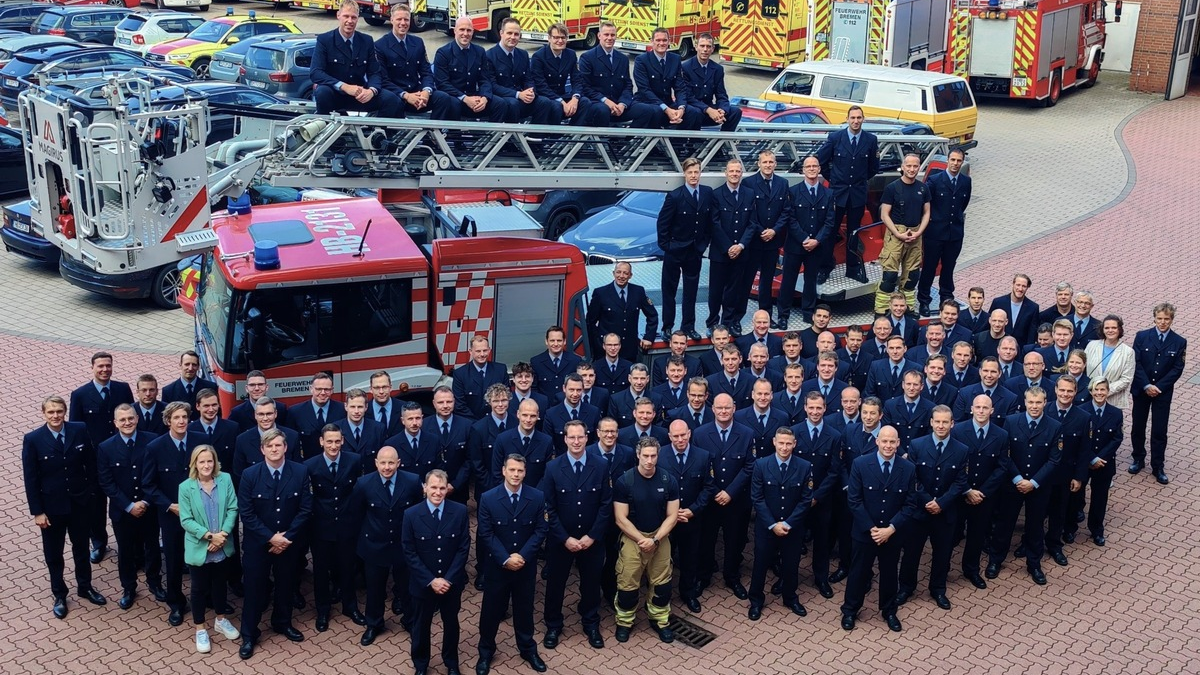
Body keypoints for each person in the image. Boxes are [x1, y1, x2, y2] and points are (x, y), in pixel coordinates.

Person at [23, 395, 106, 619]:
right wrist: (37, 511)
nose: (55, 416)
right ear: (43, 414)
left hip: (80, 503)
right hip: (51, 508)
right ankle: (59, 594)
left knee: (81, 548)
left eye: (59, 411)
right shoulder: (33, 439)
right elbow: (31, 479)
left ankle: (85, 587)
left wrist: (91, 493)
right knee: (54, 553)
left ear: (65, 411)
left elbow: (90, 463)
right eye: (51, 412)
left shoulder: (79, 429)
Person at [236, 430, 312, 660]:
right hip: (259, 545)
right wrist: (271, 537)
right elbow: (246, 513)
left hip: (288, 543)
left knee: (286, 585)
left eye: (278, 445)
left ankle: (282, 623)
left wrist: (286, 537)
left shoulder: (300, 472)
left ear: (285, 447)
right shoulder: (250, 475)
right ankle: (249, 634)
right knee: (254, 589)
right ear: (262, 449)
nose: (274, 449)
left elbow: (305, 509)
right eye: (270, 446)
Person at [539, 420, 612, 650]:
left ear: (588, 437)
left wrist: (593, 536)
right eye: (572, 437)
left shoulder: (600, 465)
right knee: (556, 584)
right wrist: (564, 538)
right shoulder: (553, 467)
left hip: (591, 539)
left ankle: (591, 623)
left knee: (591, 585)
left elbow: (605, 504)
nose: (576, 441)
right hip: (562, 540)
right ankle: (553, 625)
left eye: (580, 437)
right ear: (565, 439)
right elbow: (547, 507)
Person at [475, 454, 549, 675]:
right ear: (504, 471)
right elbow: (485, 533)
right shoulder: (488, 498)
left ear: (525, 473)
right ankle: (486, 651)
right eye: (512, 470)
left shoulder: (537, 497)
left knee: (524, 610)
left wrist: (522, 556)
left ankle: (527, 649)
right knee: (491, 611)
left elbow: (540, 530)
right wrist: (505, 558)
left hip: (524, 567)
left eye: (520, 471)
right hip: (497, 567)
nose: (516, 475)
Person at [840, 426, 917, 632]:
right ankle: (850, 610)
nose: (888, 446)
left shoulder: (908, 468)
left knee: (890, 573)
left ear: (898, 443)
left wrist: (890, 529)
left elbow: (909, 504)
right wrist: (872, 529)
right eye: (884, 441)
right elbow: (854, 500)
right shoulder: (860, 464)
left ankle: (889, 610)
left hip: (892, 534)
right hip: (865, 533)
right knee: (858, 572)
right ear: (877, 441)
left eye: (892, 442)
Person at [144, 402, 212, 626]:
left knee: (204, 557)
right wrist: (170, 505)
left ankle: (207, 597)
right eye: (176, 418)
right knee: (173, 561)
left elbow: (212, 472)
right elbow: (149, 485)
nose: (182, 421)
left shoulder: (200, 442)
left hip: (201, 514)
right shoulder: (155, 447)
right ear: (168, 421)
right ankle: (176, 603)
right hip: (172, 516)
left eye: (185, 417)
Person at [986, 387, 1062, 586]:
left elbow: (1054, 461)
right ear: (1025, 402)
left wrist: (1034, 482)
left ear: (1045, 402)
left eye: (1038, 402)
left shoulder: (1054, 426)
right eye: (1031, 402)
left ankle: (1034, 564)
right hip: (1013, 484)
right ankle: (995, 560)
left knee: (1035, 526)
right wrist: (1018, 478)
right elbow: (1005, 454)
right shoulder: (1011, 422)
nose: (1034, 406)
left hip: (1038, 486)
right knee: (1004, 524)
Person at [896, 406, 967, 610]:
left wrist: (941, 503)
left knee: (942, 553)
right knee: (911, 552)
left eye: (945, 422)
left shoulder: (961, 450)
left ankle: (938, 589)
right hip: (919, 511)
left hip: (945, 512)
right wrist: (928, 501)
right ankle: (906, 588)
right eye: (937, 421)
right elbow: (913, 478)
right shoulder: (917, 445)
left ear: (952, 423)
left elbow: (960, 482)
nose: (941, 425)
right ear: (931, 422)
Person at [350, 445, 422, 646]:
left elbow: (417, 512)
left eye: (391, 462)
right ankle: (374, 624)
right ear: (376, 463)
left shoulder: (412, 481)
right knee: (375, 589)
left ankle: (410, 621)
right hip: (374, 546)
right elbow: (356, 514)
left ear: (398, 463)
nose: (387, 467)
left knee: (406, 588)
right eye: (383, 462)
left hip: (403, 546)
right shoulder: (363, 484)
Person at [403, 469, 470, 675]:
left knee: (451, 624)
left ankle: (451, 662)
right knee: (421, 626)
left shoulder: (459, 511)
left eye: (442, 488)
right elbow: (409, 551)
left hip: (451, 583)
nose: (438, 492)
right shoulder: (411, 514)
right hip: (423, 584)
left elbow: (463, 547)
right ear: (424, 488)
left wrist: (447, 579)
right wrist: (431, 580)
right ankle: (421, 665)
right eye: (433, 487)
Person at [612, 438, 680, 643]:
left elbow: (673, 515)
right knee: (627, 585)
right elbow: (620, 518)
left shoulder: (669, 480)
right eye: (645, 456)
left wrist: (656, 540)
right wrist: (642, 540)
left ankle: (660, 620)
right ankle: (624, 622)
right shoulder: (625, 481)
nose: (649, 461)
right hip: (634, 538)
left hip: (660, 537)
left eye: (653, 456)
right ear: (638, 455)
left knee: (662, 586)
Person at [70, 351, 134, 564]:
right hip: (95, 459)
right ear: (92, 368)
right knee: (96, 504)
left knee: (123, 496)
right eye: (100, 366)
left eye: (108, 365)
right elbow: (76, 429)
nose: (105, 370)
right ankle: (99, 542)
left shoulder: (122, 389)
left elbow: (132, 418)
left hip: (121, 456)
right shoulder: (79, 395)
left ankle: (129, 539)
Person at [97, 404, 163, 610]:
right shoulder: (105, 447)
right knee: (125, 550)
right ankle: (129, 587)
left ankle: (155, 582)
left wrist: (144, 501)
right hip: (122, 511)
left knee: (152, 546)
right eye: (122, 420)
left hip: (148, 507)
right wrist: (128, 505)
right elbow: (107, 482)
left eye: (130, 418)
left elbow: (157, 475)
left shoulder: (152, 441)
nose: (127, 423)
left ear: (137, 419)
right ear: (115, 423)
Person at [177, 445, 241, 653]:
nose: (206, 465)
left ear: (215, 462)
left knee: (220, 585)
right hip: (200, 546)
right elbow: (186, 519)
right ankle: (200, 628)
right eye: (202, 461)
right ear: (195, 464)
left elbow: (232, 508)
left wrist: (222, 535)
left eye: (210, 461)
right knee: (198, 589)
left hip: (222, 544)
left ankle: (221, 620)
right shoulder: (186, 487)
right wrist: (209, 536)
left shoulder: (225, 479)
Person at [747, 427, 813, 621]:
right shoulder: (761, 465)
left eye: (788, 443)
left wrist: (789, 523)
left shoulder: (804, 466)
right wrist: (772, 524)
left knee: (791, 565)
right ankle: (756, 601)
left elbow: (805, 499)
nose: (784, 447)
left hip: (793, 528)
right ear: (774, 442)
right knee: (760, 565)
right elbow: (757, 498)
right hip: (767, 527)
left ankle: (790, 597)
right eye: (781, 443)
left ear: (794, 444)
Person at [304, 424, 365, 632]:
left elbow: (357, 491)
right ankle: (323, 610)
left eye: (337, 441)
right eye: (329, 441)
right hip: (321, 527)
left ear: (342, 441)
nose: (333, 445)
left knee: (347, 568)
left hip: (347, 525)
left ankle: (351, 607)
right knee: (321, 571)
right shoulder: (310, 465)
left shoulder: (354, 460)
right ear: (321, 442)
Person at [693, 394, 754, 599]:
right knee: (705, 540)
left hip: (736, 500)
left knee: (734, 540)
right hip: (710, 501)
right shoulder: (700, 434)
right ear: (713, 409)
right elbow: (700, 467)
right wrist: (715, 490)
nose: (723, 411)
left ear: (734, 408)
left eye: (727, 408)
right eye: (719, 408)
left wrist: (730, 492)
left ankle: (732, 577)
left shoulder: (746, 433)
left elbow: (749, 466)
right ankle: (703, 576)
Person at [815, 105, 879, 284]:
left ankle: (853, 268)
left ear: (863, 119)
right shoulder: (836, 138)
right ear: (847, 119)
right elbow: (822, 160)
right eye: (853, 118)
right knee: (830, 231)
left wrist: (858, 181)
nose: (856, 121)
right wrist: (834, 180)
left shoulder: (870, 140)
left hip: (857, 194)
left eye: (859, 118)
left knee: (854, 232)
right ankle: (825, 267)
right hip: (837, 193)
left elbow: (873, 168)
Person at [953, 394, 1010, 590]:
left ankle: (971, 570)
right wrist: (967, 490)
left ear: (992, 411)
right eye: (978, 407)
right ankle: (942, 573)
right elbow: (953, 465)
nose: (981, 411)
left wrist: (981, 492)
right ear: (971, 409)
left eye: (985, 408)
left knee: (977, 535)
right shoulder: (958, 431)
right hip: (960, 493)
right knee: (951, 534)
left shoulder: (1001, 435)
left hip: (984, 496)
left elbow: (1002, 467)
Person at [657, 420, 713, 612]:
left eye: (683, 435)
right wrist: (669, 512)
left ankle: (688, 593)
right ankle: (662, 596)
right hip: (665, 520)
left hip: (691, 518)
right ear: (669, 436)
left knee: (690, 558)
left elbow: (708, 487)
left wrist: (694, 509)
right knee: (663, 559)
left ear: (689, 434)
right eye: (675, 436)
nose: (680, 439)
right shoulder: (660, 455)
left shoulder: (703, 456)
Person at [311, 0, 400, 116]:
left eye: (353, 17)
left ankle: (377, 132)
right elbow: (315, 73)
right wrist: (344, 86)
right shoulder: (325, 40)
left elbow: (375, 72)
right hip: (334, 95)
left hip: (360, 96)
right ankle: (325, 128)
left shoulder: (366, 41)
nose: (349, 21)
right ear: (338, 16)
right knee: (322, 92)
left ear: (358, 18)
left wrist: (372, 90)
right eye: (346, 16)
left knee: (391, 99)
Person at [657, 157, 714, 341]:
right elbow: (663, 224)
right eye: (690, 172)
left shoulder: (706, 193)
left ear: (700, 173)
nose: (693, 176)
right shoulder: (674, 196)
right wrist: (668, 246)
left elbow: (708, 223)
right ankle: (667, 327)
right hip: (675, 251)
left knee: (691, 291)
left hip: (694, 252)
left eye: (696, 172)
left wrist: (703, 245)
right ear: (684, 174)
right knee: (669, 290)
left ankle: (688, 326)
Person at [1130, 303, 1186, 484]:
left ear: (1172, 320)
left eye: (1166, 319)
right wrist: (1146, 384)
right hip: (1141, 389)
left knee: (1159, 430)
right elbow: (1136, 362)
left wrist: (1158, 387)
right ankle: (1138, 458)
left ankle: (1157, 466)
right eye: (1160, 318)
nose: (1162, 322)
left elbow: (1177, 368)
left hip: (1162, 392)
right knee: (1138, 426)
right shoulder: (1142, 336)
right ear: (1154, 317)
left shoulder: (1179, 341)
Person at [776, 154, 834, 327]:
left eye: (814, 166)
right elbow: (790, 218)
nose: (811, 169)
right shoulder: (793, 192)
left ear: (819, 169)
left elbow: (830, 222)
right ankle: (783, 315)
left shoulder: (829, 194)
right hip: (795, 245)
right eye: (808, 166)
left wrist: (816, 240)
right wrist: (804, 238)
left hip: (816, 247)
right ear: (803, 170)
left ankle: (808, 313)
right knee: (788, 280)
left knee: (810, 281)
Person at [375, 3, 454, 118]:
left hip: (418, 94)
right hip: (397, 96)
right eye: (399, 19)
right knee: (393, 101)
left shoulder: (418, 43)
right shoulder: (380, 46)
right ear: (391, 20)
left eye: (406, 19)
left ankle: (434, 133)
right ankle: (395, 134)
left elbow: (426, 72)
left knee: (443, 98)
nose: (403, 23)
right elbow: (384, 80)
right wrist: (406, 95)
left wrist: (426, 92)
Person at [917, 149, 971, 315]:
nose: (955, 164)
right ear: (948, 160)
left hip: (954, 234)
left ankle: (946, 298)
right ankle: (924, 300)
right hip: (934, 233)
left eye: (959, 161)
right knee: (929, 268)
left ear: (962, 162)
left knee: (949, 267)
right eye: (953, 160)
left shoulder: (966, 181)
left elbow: (963, 203)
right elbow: (926, 205)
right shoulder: (934, 180)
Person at [875, 153, 930, 315]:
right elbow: (884, 214)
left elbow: (927, 213)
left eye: (915, 166)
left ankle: (908, 308)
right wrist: (897, 234)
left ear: (919, 167)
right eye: (909, 166)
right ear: (903, 166)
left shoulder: (923, 188)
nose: (912, 169)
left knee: (912, 276)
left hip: (916, 234)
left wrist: (919, 232)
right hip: (895, 235)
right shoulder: (892, 188)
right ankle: (881, 309)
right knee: (890, 276)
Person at [708, 158, 759, 331]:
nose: (735, 174)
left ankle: (729, 322)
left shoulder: (749, 194)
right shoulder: (716, 194)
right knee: (716, 290)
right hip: (720, 252)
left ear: (741, 173)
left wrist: (741, 246)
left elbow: (752, 223)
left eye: (738, 171)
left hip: (741, 252)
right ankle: (713, 322)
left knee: (734, 289)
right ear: (726, 173)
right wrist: (728, 247)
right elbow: (714, 223)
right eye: (732, 171)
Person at [1070, 380, 1122, 546]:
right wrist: (1092, 458)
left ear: (1108, 391)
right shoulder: (1081, 410)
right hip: (1084, 462)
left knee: (1100, 498)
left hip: (1104, 463)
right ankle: (1070, 528)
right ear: (1091, 392)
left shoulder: (1116, 413)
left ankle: (1096, 530)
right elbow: (1079, 438)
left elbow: (1117, 438)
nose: (1099, 393)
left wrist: (1101, 458)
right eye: (1096, 390)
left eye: (1103, 390)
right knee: (1076, 496)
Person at [577, 21, 657, 128]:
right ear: (599, 35)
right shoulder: (587, 58)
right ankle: (602, 142)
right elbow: (585, 87)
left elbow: (628, 85)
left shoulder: (623, 59)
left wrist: (623, 104)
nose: (609, 38)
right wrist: (606, 101)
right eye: (606, 35)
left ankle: (628, 143)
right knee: (603, 110)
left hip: (619, 105)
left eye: (612, 35)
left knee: (647, 110)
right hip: (597, 104)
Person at [433, 17, 509, 122]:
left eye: (469, 30)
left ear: (473, 32)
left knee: (500, 104)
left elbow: (485, 80)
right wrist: (465, 98)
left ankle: (493, 137)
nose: (465, 33)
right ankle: (453, 136)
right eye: (462, 29)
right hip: (455, 98)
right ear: (455, 31)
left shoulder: (479, 51)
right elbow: (442, 83)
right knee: (453, 104)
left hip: (475, 97)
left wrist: (484, 98)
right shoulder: (443, 53)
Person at [531, 22, 606, 126]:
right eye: (556, 37)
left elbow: (577, 80)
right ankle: (553, 138)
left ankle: (573, 136)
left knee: (585, 102)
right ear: (549, 38)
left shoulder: (570, 54)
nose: (560, 41)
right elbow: (541, 86)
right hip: (547, 97)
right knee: (557, 107)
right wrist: (562, 102)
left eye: (563, 37)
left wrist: (575, 98)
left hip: (563, 95)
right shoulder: (538, 57)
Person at [485, 18, 555, 124]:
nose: (513, 37)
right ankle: (512, 139)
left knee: (544, 102)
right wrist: (518, 94)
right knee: (513, 104)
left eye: (516, 34)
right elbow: (492, 86)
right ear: (501, 33)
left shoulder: (523, 54)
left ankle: (535, 137)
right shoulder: (489, 55)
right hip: (503, 100)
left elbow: (528, 79)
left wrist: (530, 92)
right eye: (509, 33)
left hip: (521, 98)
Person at [586, 261, 658, 361]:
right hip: (605, 350)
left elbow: (652, 315)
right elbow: (590, 321)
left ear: (630, 275)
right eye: (618, 272)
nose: (621, 276)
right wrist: (598, 343)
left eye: (625, 273)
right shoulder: (601, 293)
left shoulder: (638, 291)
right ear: (613, 273)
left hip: (629, 350)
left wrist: (649, 337)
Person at [633, 27, 702, 130]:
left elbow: (680, 87)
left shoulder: (675, 59)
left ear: (669, 41)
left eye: (665, 40)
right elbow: (644, 90)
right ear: (652, 42)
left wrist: (681, 108)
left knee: (694, 112)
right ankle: (653, 145)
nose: (662, 43)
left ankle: (677, 144)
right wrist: (666, 109)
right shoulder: (641, 60)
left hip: (668, 103)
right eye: (658, 40)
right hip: (648, 102)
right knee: (655, 112)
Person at [232, 397, 301, 485]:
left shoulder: (292, 436)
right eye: (261, 414)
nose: (265, 418)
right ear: (255, 415)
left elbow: (297, 470)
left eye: (269, 414)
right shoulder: (242, 440)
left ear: (275, 414)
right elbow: (239, 475)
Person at [682, 32, 741, 131]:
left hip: (710, 109)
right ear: (696, 47)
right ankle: (693, 143)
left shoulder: (717, 69)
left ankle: (722, 143)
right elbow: (688, 97)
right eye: (702, 46)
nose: (705, 50)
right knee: (695, 112)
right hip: (693, 110)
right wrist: (708, 110)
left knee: (735, 112)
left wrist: (723, 110)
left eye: (708, 46)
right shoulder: (685, 67)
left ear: (713, 49)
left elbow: (721, 95)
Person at [425, 386, 472, 503]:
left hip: (458, 490)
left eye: (449, 401)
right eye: (441, 402)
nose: (445, 406)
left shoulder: (467, 426)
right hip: (432, 491)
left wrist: (455, 485)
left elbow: (470, 459)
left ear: (454, 402)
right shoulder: (424, 426)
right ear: (434, 403)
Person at [288, 372, 347, 461]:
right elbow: (291, 443)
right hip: (307, 465)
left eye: (326, 389)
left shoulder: (342, 410)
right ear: (311, 389)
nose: (323, 393)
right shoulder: (295, 412)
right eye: (319, 389)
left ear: (332, 390)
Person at [451, 337, 509, 420]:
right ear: (470, 351)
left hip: (497, 421)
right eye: (478, 351)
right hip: (472, 424)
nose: (482, 354)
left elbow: (507, 398)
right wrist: (478, 426)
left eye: (485, 350)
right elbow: (460, 406)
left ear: (489, 350)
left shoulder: (500, 370)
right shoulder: (460, 374)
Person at [1084, 315, 1135, 409]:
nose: (1110, 330)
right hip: (1089, 398)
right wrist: (1093, 390)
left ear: (1119, 330)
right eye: (1107, 328)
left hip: (1113, 401)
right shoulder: (1091, 345)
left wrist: (1104, 391)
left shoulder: (1128, 352)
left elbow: (1126, 379)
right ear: (1102, 330)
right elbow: (1083, 368)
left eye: (1114, 328)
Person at [337, 388, 387, 470]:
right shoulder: (336, 429)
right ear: (346, 406)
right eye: (352, 407)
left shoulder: (378, 429)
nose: (356, 411)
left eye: (360, 407)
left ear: (366, 407)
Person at [531, 325, 583, 398]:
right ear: (546, 341)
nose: (555, 344)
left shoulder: (575, 361)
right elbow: (534, 389)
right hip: (545, 407)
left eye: (559, 340)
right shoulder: (536, 362)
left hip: (567, 406)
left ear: (564, 341)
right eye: (552, 340)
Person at [989, 274, 1041, 346]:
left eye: (1024, 286)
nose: (1020, 289)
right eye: (1018, 285)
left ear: (1027, 288)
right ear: (1013, 284)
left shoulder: (1033, 308)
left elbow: (1031, 334)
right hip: (997, 346)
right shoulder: (998, 302)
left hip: (1020, 349)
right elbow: (989, 325)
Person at [369, 370, 405, 436]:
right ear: (371, 389)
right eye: (377, 388)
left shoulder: (403, 408)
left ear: (391, 388)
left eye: (384, 387)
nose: (381, 391)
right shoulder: (364, 410)